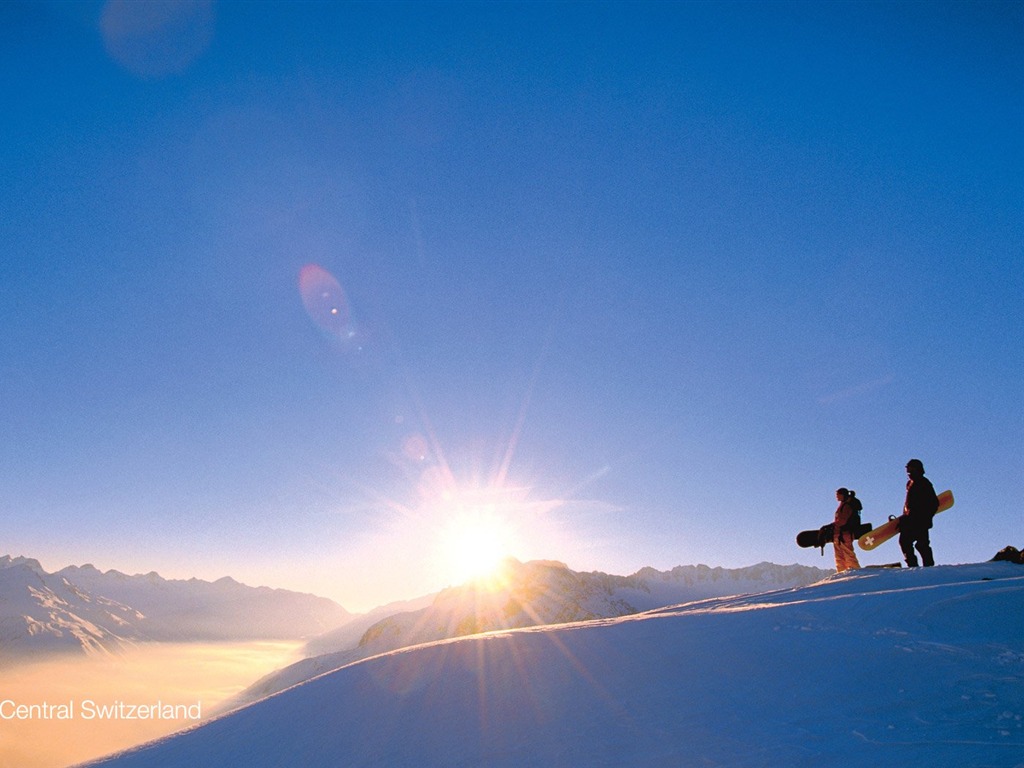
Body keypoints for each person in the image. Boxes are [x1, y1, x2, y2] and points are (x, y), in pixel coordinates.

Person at [899, 458, 939, 567]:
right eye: (908, 470)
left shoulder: (924, 483)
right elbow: (909, 503)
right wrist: (904, 516)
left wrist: (925, 517)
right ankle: (913, 566)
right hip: (910, 520)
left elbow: (934, 503)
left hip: (921, 521)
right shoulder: (910, 483)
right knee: (905, 542)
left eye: (911, 470)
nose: (908, 472)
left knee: (922, 545)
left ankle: (929, 567)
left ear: (918, 469)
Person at [833, 488, 862, 572]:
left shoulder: (848, 505)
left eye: (838, 495)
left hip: (845, 532)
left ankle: (855, 571)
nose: (836, 497)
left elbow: (843, 520)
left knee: (848, 553)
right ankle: (841, 572)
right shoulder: (844, 504)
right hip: (839, 533)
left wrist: (832, 526)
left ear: (843, 495)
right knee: (839, 555)